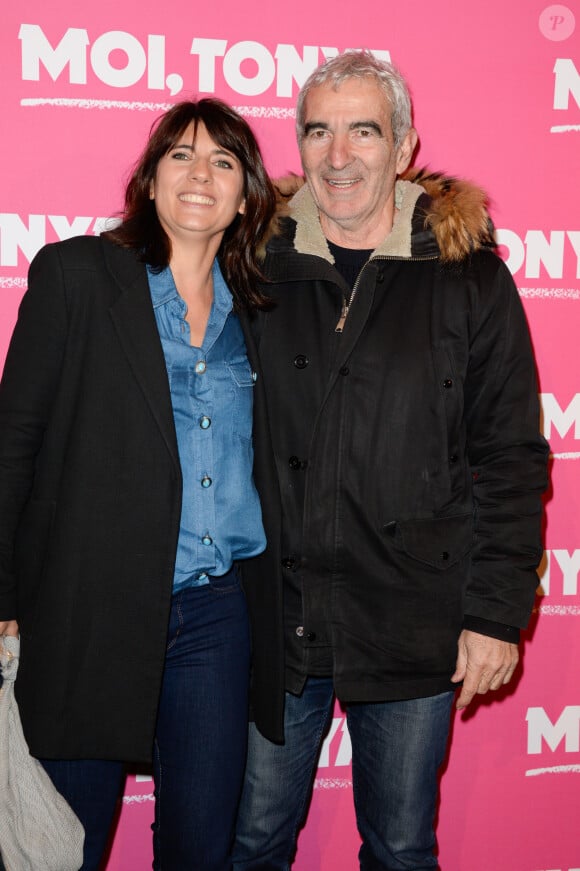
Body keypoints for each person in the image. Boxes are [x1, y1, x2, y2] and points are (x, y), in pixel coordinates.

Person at [233, 51, 549, 871]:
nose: (339, 156)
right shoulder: (251, 268)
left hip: (415, 617)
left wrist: (493, 612)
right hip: (277, 615)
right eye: (319, 131)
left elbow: (510, 456)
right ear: (297, 146)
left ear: (405, 144)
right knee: (252, 840)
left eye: (363, 130)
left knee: (402, 847)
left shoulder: (469, 277)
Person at [0, 97, 275, 871]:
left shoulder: (256, 313)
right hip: (88, 606)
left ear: (246, 193)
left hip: (215, 618)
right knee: (63, 847)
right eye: (180, 155)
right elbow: (14, 443)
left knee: (199, 850)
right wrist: (5, 601)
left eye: (223, 161)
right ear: (150, 179)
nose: (200, 174)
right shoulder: (78, 276)